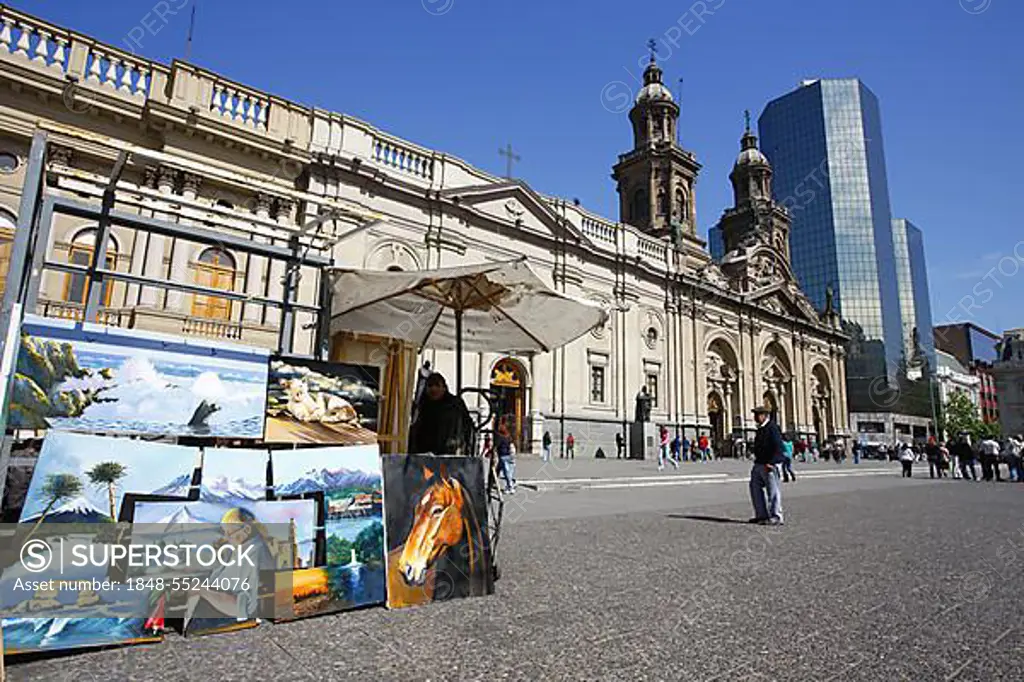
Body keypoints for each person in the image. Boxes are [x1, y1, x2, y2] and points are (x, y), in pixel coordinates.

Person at [408, 372, 475, 456]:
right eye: (430, 386)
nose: (434, 389)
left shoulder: (455, 404)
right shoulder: (422, 405)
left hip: (448, 452)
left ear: (444, 388)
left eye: (437, 385)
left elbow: (467, 426)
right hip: (424, 452)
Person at [749, 406, 784, 526]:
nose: (755, 417)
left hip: (769, 464)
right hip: (759, 464)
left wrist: (773, 462)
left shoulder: (772, 428)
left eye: (757, 415)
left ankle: (776, 516)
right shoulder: (760, 429)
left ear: (764, 415)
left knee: (773, 491)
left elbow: (779, 447)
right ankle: (761, 515)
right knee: (754, 488)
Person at [496, 421, 516, 494]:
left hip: (504, 456)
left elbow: (498, 446)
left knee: (506, 473)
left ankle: (510, 487)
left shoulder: (501, 438)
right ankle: (509, 486)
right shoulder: (509, 437)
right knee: (508, 472)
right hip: (510, 456)